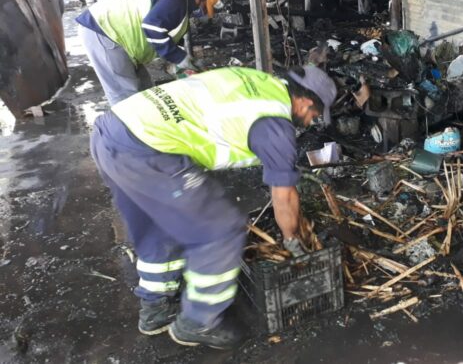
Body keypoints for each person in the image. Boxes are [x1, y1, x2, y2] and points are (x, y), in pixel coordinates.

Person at [89, 65, 337, 349]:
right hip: (148, 152)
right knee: (221, 228)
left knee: (158, 226)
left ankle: (156, 308)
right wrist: (292, 240)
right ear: (305, 101)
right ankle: (198, 321)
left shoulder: (260, 81)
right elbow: (284, 196)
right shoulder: (276, 125)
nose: (308, 123)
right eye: (313, 115)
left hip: (112, 132)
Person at [76, 0, 221, 105]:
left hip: (116, 35)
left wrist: (181, 57)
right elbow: (152, 27)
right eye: (202, 8)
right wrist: (179, 57)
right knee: (126, 98)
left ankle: (146, 130)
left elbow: (163, 27)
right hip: (104, 31)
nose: (199, 13)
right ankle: (130, 134)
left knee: (146, 94)